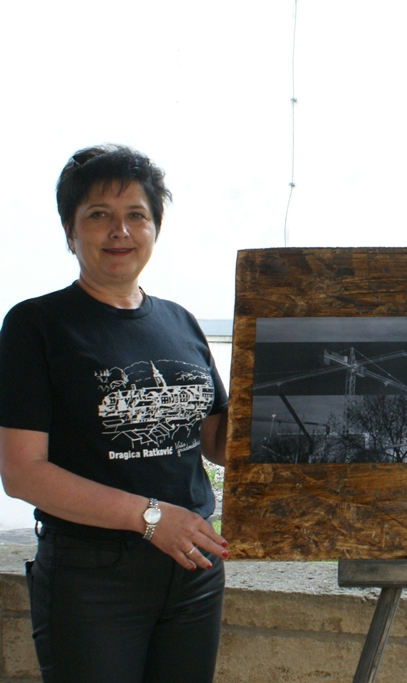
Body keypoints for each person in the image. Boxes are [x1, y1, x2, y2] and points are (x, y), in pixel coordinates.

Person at [0, 145, 229, 683]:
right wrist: (151, 518)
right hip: (92, 576)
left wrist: (278, 370)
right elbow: (21, 472)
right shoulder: (36, 325)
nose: (119, 230)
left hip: (194, 565)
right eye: (99, 214)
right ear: (70, 230)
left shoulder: (181, 322)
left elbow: (219, 443)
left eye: (136, 215)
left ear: (155, 228)